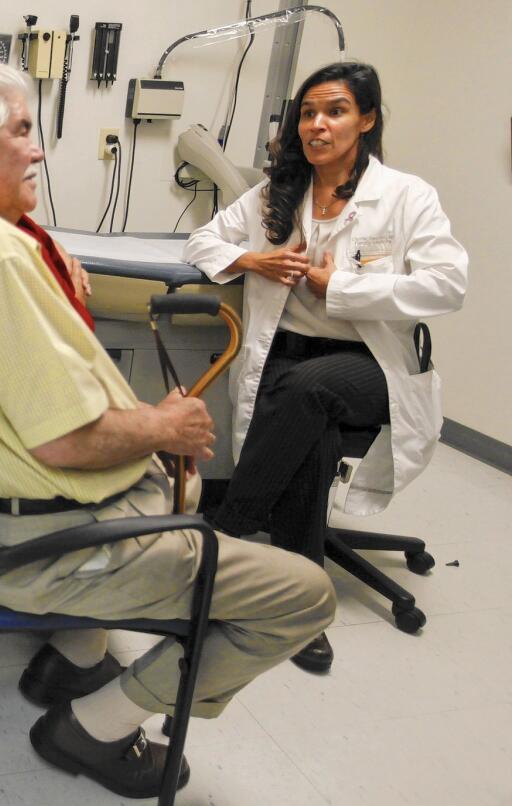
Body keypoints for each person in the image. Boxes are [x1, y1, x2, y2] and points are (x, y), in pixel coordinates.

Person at [0, 58, 335, 799]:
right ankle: (91, 725)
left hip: (4, 520)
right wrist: (165, 426)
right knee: (304, 596)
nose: (39, 149)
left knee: (171, 484)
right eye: (23, 131)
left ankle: (74, 658)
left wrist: (42, 254)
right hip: (57, 544)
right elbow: (66, 443)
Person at [182, 62, 467, 672]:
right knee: (307, 412)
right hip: (287, 363)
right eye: (307, 113)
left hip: (371, 366)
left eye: (334, 111)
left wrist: (346, 287)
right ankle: (303, 607)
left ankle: (228, 535)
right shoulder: (274, 195)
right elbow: (202, 242)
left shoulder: (406, 196)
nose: (317, 125)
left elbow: (448, 286)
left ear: (366, 119)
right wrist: (252, 260)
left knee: (308, 390)